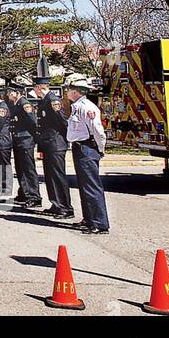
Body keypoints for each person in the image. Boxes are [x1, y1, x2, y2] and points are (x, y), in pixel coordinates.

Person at [66, 79, 110, 234]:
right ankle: (89, 219)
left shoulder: (87, 108)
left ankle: (100, 223)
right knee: (84, 186)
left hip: (87, 147)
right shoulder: (77, 107)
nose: (67, 92)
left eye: (69, 89)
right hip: (79, 147)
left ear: (75, 91)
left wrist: (100, 148)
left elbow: (98, 131)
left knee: (92, 186)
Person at [32, 77, 74, 219]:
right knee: (50, 176)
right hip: (48, 143)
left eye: (35, 88)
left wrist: (63, 139)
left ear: (39, 87)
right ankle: (56, 204)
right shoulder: (45, 100)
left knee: (58, 176)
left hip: (55, 144)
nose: (34, 91)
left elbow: (62, 122)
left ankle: (65, 208)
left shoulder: (52, 100)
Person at [7, 83, 42, 208]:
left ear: (18, 92)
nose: (8, 94)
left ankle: (34, 196)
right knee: (20, 168)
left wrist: (32, 138)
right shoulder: (16, 104)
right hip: (18, 139)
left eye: (11, 92)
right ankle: (24, 193)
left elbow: (33, 122)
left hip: (25, 140)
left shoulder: (24, 104)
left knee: (28, 169)